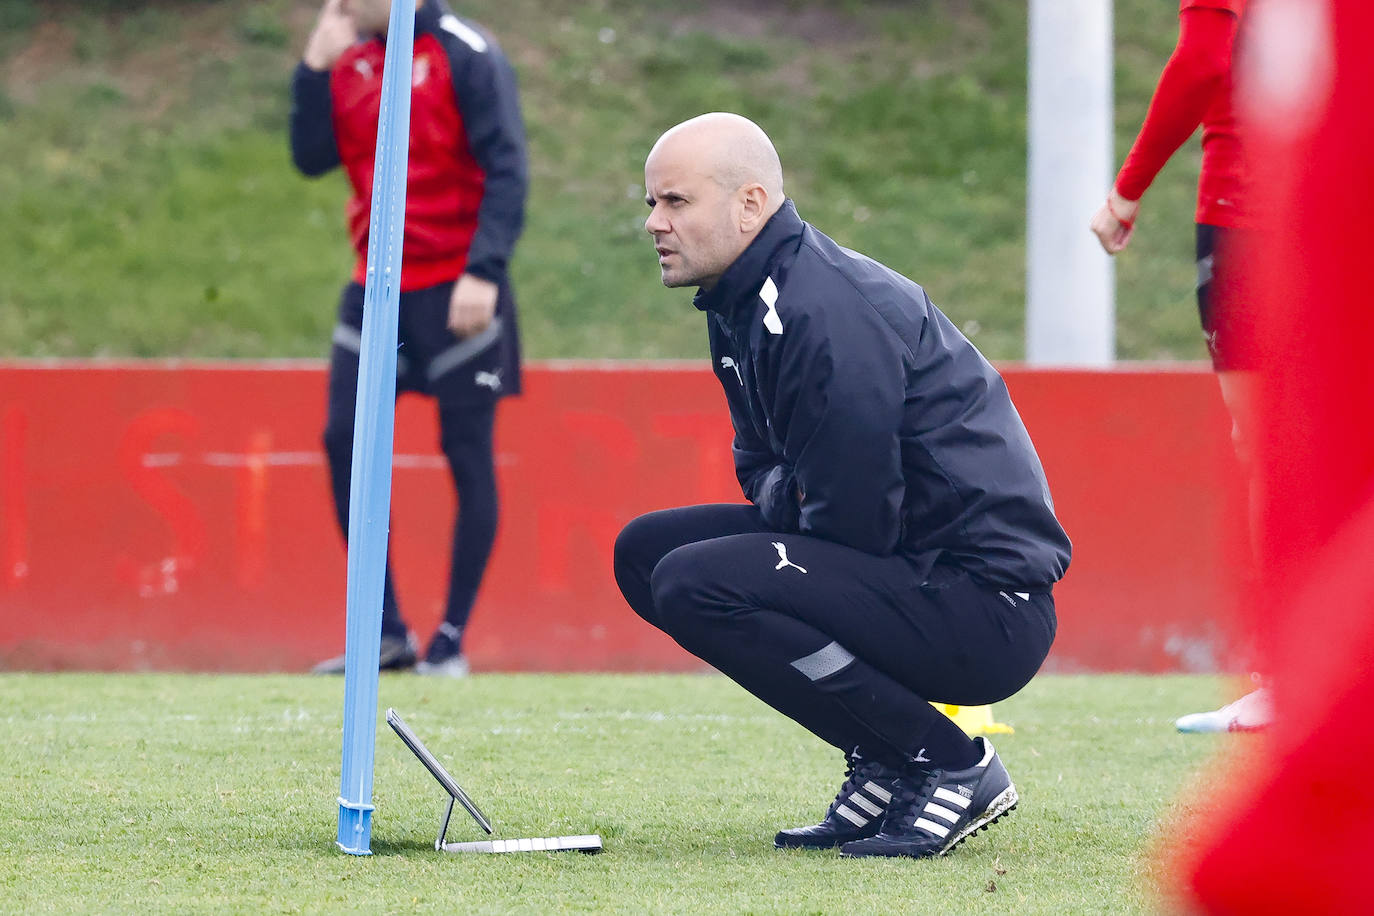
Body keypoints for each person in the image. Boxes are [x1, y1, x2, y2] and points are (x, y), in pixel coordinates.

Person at [613, 113, 1071, 859]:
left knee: (697, 581)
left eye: (674, 202)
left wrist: (784, 497)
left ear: (750, 203)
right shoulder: (743, 298)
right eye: (651, 204)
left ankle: (948, 761)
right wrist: (784, 496)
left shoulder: (819, 308)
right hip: (908, 565)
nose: (654, 224)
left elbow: (852, 521)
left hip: (983, 604)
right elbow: (759, 459)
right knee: (645, 555)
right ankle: (888, 759)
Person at [289, 0, 527, 676]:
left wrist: (485, 270)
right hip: (377, 289)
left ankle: (451, 640)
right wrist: (313, 68)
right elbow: (310, 157)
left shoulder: (465, 52)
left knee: (466, 453)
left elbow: (508, 167)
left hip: (459, 290)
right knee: (345, 440)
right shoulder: (349, 58)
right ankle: (388, 633)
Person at [1087, 0, 1268, 733]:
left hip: (1259, 217)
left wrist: (1126, 192)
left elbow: (1203, 61)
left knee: (1274, 453)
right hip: (1345, 203)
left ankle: (1291, 676)